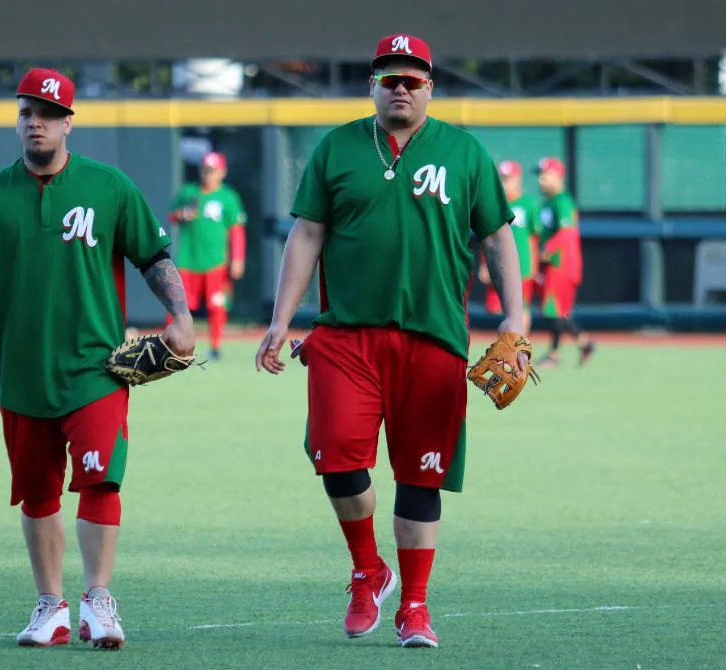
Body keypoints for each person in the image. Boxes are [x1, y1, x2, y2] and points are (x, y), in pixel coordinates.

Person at [255, 33, 528, 649]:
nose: (400, 87)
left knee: (420, 477)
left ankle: (414, 605)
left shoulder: (463, 152)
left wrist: (515, 315)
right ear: (372, 85)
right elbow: (306, 235)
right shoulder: (337, 147)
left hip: (432, 338)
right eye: (389, 78)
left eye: (412, 79)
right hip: (346, 335)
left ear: (431, 86)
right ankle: (366, 570)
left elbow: (498, 239)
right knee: (335, 457)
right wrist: (281, 320)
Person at [0, 67, 195, 651]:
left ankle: (98, 601)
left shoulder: (107, 186)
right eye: (27, 112)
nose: (36, 122)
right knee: (37, 493)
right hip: (21, 371)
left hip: (97, 368)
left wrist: (181, 316)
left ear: (68, 124)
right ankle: (51, 605)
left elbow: (153, 256)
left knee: (100, 480)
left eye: (49, 114)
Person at [166, 151, 247, 360]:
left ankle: (215, 347)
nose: (208, 175)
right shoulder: (189, 192)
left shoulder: (228, 197)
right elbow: (172, 215)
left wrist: (237, 259)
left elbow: (236, 230)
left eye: (213, 171)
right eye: (205, 171)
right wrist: (183, 214)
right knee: (180, 305)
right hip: (188, 259)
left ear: (222, 172)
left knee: (216, 304)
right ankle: (171, 346)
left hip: (216, 261)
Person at [535, 157, 595, 366]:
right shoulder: (546, 203)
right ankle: (581, 343)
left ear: (558, 177)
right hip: (550, 265)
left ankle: (557, 352)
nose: (541, 180)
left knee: (553, 311)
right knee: (555, 312)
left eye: (545, 175)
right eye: (540, 176)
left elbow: (568, 233)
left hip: (562, 264)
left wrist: (547, 251)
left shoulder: (563, 201)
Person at [478, 159, 542, 335]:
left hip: (523, 263)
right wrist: (484, 265)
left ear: (518, 179)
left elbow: (534, 239)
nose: (505, 183)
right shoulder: (495, 203)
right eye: (502, 179)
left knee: (522, 306)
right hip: (499, 262)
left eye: (508, 179)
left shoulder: (529, 204)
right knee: (499, 307)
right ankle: (505, 347)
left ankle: (520, 346)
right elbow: (487, 236)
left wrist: (534, 266)